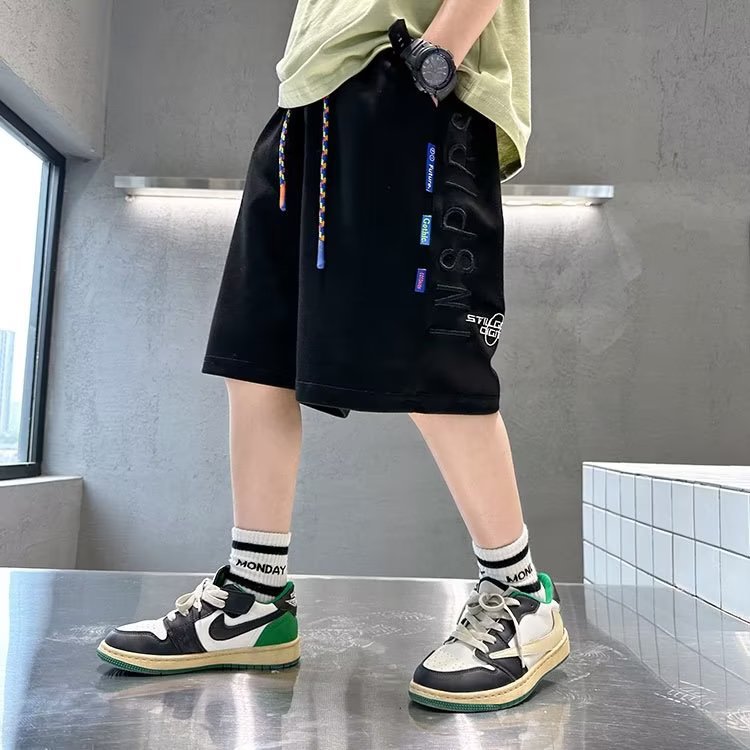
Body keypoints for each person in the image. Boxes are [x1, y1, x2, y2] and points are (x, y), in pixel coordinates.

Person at [97, 0, 570, 712]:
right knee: (256, 357)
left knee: (436, 364)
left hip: (408, 76)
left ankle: (521, 594)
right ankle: (253, 599)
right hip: (304, 98)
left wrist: (435, 59)